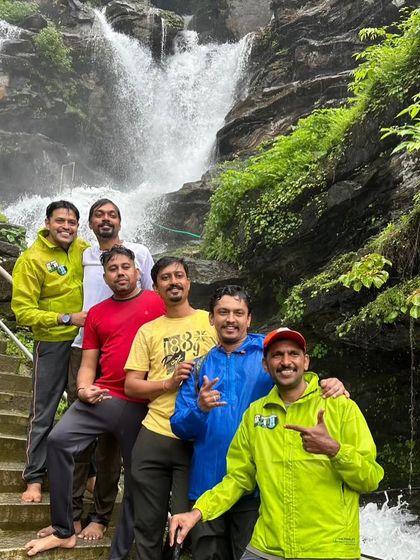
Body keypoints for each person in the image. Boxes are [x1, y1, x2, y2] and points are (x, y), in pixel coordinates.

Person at [170, 327, 384, 560]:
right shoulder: (255, 414)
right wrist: (198, 513)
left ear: (306, 362)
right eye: (276, 355)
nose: (285, 361)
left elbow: (371, 479)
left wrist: (335, 450)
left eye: (293, 354)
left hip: (327, 548)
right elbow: (238, 478)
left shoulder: (340, 406)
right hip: (268, 545)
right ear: (265, 365)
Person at [24, 245, 165, 558]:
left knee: (137, 474)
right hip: (103, 395)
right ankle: (64, 530)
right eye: (113, 270)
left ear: (137, 270)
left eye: (125, 267)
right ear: (105, 276)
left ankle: (121, 550)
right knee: (58, 440)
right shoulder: (98, 313)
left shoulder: (158, 303)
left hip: (143, 401)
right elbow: (88, 362)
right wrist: (84, 387)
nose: (120, 273)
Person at [67, 198, 154, 542]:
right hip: (84, 346)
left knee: (111, 444)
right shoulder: (83, 254)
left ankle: (100, 515)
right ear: (90, 223)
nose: (106, 219)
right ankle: (71, 513)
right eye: (99, 215)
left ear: (121, 220)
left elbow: (148, 298)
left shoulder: (139, 253)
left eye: (112, 214)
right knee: (77, 437)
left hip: (127, 351)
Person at [124, 256, 218, 560]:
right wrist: (167, 382)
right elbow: (131, 385)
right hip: (155, 434)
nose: (173, 281)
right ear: (155, 287)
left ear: (189, 282)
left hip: (199, 437)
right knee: (147, 524)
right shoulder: (148, 331)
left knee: (185, 526)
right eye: (165, 277)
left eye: (179, 275)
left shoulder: (213, 320)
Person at [11, 200, 89, 504]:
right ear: (47, 223)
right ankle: (33, 478)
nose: (66, 227)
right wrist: (66, 317)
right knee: (43, 412)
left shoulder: (84, 250)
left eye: (71, 222)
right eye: (60, 221)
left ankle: (88, 474)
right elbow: (22, 312)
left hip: (85, 344)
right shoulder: (32, 259)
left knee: (84, 411)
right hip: (53, 342)